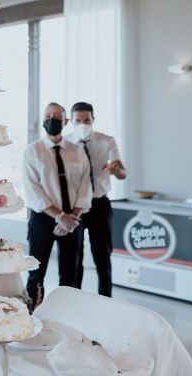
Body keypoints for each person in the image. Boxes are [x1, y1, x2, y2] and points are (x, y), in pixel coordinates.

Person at [22, 102, 92, 310]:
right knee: (36, 271)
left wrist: (71, 217)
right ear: (43, 120)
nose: (52, 119)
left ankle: (68, 316)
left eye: (57, 116)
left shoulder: (77, 150)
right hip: (43, 219)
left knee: (72, 272)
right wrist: (59, 216)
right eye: (48, 115)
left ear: (65, 121)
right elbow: (33, 190)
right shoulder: (33, 151)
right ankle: (32, 316)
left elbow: (85, 185)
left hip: (73, 219)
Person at [67, 102, 126, 297]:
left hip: (99, 204)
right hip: (74, 206)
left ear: (93, 120)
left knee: (102, 256)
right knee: (75, 257)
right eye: (78, 121)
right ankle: (77, 299)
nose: (83, 124)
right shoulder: (65, 143)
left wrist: (115, 170)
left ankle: (105, 300)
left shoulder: (106, 141)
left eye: (86, 120)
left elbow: (122, 173)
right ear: (71, 121)